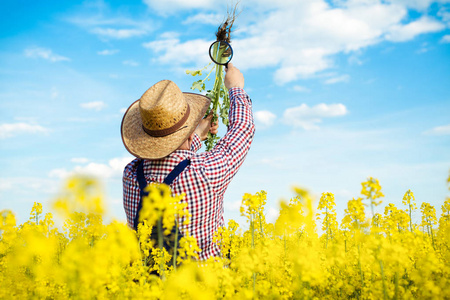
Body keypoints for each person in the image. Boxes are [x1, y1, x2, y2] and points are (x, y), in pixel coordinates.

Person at [121, 63, 254, 260]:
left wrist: (197, 134)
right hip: (203, 286)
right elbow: (242, 130)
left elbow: (171, 163)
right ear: (187, 133)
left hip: (150, 288)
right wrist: (235, 88)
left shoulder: (131, 174)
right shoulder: (206, 172)